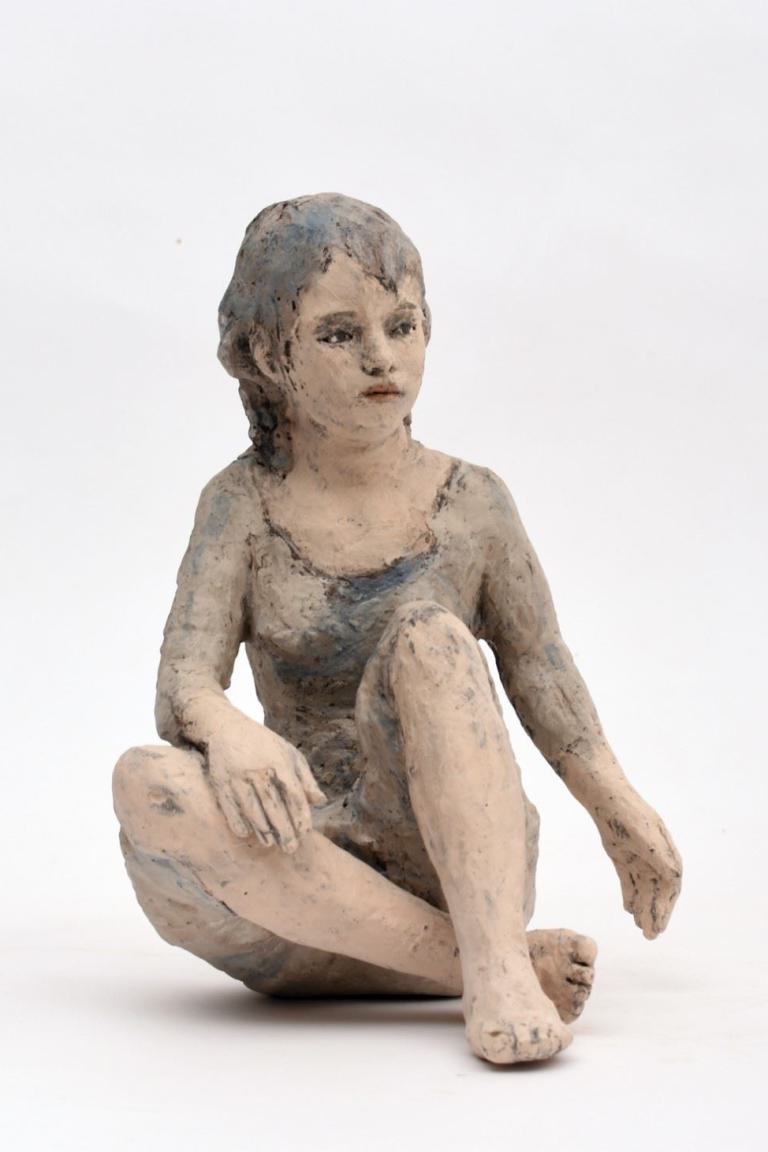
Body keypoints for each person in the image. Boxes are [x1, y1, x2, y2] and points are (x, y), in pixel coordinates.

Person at [112, 193, 682, 1065]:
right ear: (269, 354)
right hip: (287, 866)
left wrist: (618, 806)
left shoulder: (472, 502)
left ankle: (485, 958)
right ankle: (480, 965)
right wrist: (227, 730)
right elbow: (183, 685)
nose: (382, 356)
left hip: (448, 859)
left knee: (431, 638)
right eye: (340, 334)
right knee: (145, 784)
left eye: (402, 325)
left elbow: (540, 668)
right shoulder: (241, 505)